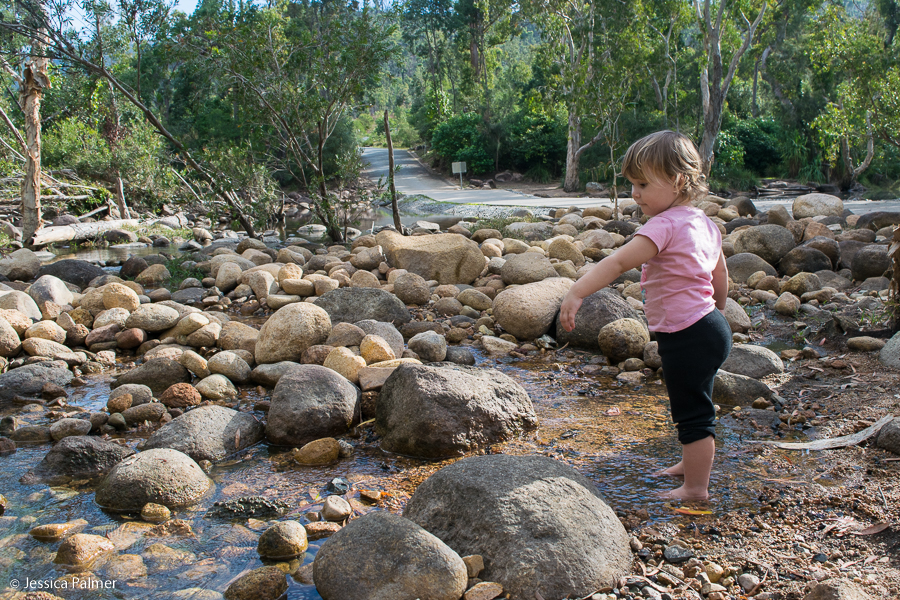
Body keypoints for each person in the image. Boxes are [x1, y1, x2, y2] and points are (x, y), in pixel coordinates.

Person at [559, 130, 731, 501]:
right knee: (696, 397)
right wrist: (718, 309)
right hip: (710, 327)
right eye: (632, 184)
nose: (635, 193)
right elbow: (719, 273)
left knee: (693, 414)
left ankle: (695, 489)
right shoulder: (704, 222)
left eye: (642, 184)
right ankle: (691, 465)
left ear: (678, 181)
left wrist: (577, 291)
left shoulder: (662, 226)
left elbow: (618, 262)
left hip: (688, 333)